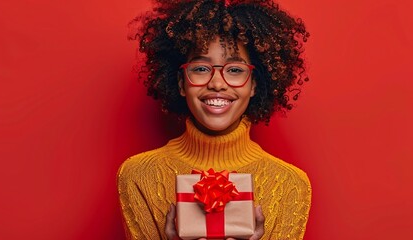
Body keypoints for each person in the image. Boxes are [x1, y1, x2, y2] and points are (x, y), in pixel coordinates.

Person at [116, 0, 312, 239]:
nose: (217, 83)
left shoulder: (290, 185)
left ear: (254, 85)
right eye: (200, 68)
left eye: (235, 70)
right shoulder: (138, 176)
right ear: (181, 83)